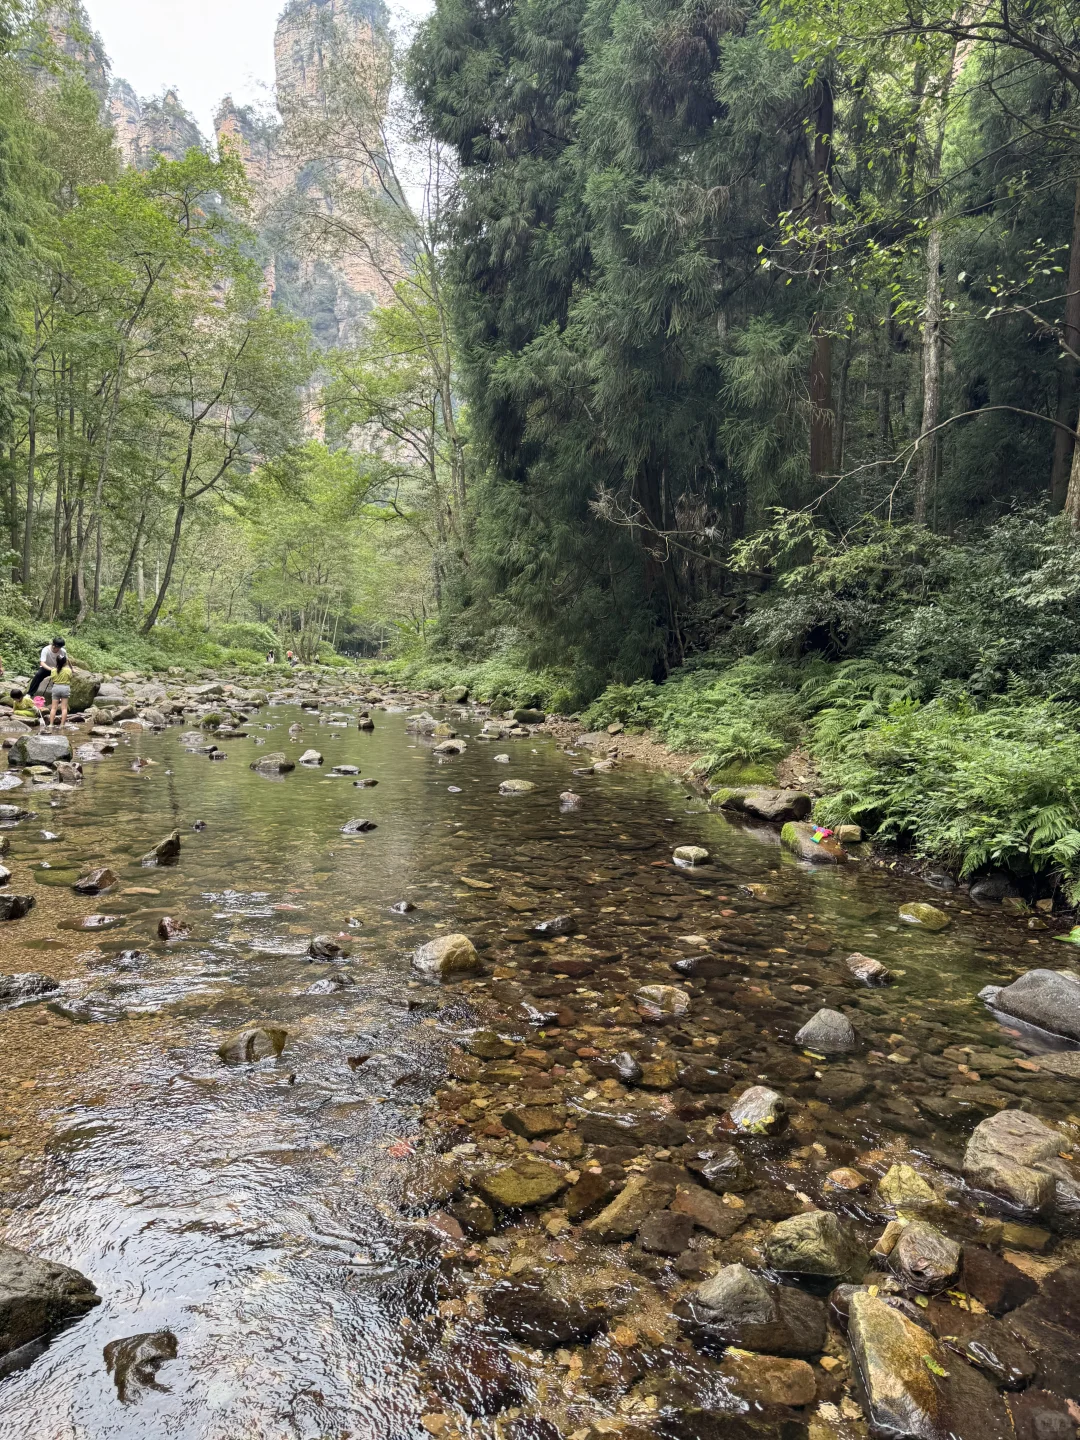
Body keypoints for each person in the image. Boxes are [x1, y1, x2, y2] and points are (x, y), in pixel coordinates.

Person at [47, 656, 73, 729]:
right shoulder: (68, 670)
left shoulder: (53, 670)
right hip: (65, 687)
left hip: (56, 688)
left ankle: (51, 724)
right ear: (65, 662)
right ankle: (62, 725)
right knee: (64, 708)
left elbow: (52, 680)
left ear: (56, 662)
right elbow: (70, 678)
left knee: (53, 708)